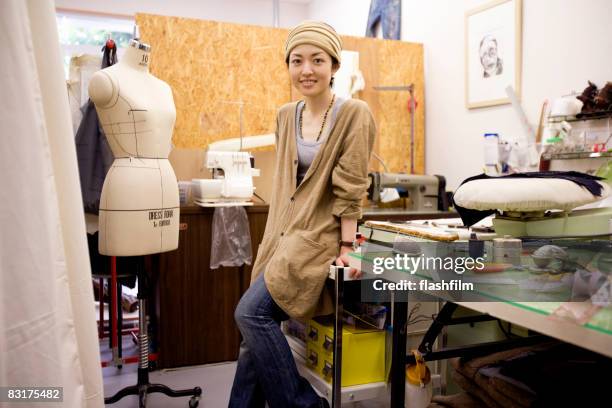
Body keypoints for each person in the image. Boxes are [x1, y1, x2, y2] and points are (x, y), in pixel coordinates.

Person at [229, 21, 376, 408]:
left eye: (316, 60)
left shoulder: (353, 114)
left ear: (333, 65)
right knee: (251, 335)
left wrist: (349, 245)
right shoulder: (285, 115)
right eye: (296, 61)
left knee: (251, 314)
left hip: (318, 238)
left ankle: (302, 404)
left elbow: (350, 188)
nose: (306, 69)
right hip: (279, 235)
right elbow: (289, 186)